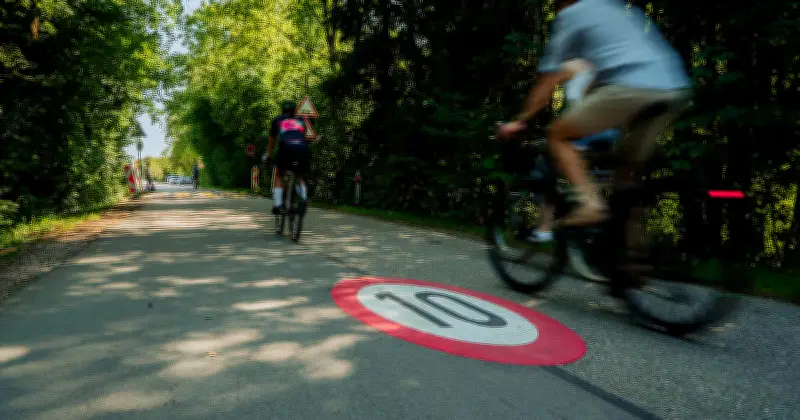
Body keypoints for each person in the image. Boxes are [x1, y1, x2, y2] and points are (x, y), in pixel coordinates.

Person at [498, 0, 692, 228]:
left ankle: (589, 205)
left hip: (629, 87)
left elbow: (548, 80)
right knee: (626, 180)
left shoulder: (572, 14)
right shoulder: (616, 9)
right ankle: (633, 256)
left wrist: (521, 121)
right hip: (674, 89)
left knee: (557, 136)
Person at [528, 58, 620, 243]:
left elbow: (545, 96)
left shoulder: (572, 66)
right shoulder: (608, 63)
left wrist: (522, 121)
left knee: (547, 168)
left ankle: (544, 229)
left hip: (589, 130)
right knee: (595, 176)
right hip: (613, 131)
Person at [265, 99, 312, 216]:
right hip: (302, 149)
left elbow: (272, 140)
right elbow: (304, 136)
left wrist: (268, 155)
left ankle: (278, 205)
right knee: (299, 174)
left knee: (279, 174)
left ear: (282, 110)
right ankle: (303, 198)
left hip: (286, 148)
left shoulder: (277, 120)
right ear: (295, 110)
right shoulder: (301, 121)